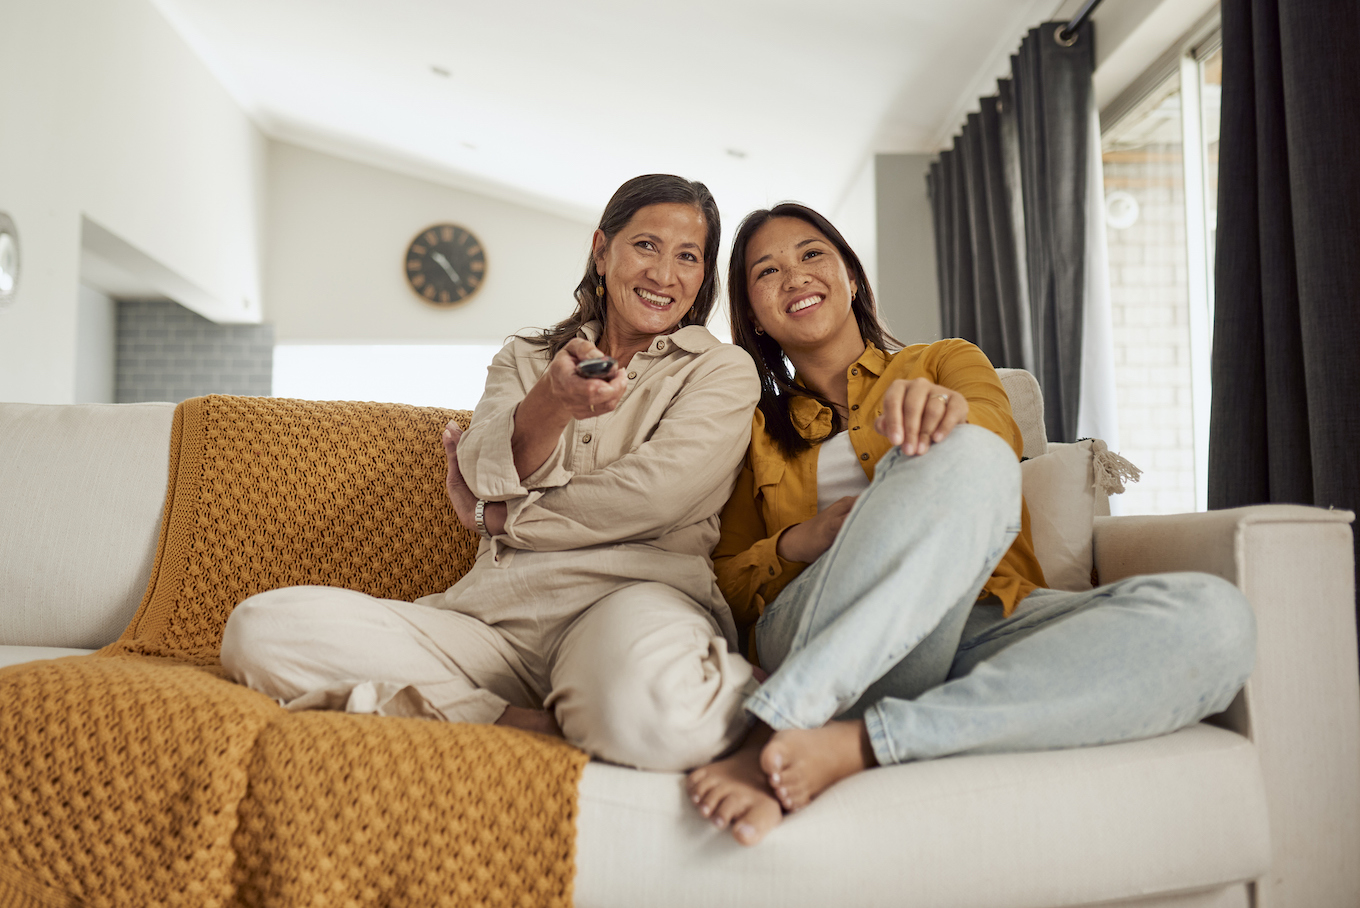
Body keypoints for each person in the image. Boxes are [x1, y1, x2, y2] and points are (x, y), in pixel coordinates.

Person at [684, 203, 1256, 844]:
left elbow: (994, 437)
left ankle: (862, 743)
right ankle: (782, 721)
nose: (794, 276)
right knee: (970, 454)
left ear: (851, 276)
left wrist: (946, 414)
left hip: (985, 622)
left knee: (1218, 620)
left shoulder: (943, 360)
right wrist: (800, 540)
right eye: (767, 271)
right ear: (753, 314)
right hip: (828, 632)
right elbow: (723, 584)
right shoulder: (754, 430)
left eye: (812, 253)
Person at [221, 174, 761, 772]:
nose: (665, 274)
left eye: (688, 256)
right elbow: (481, 466)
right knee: (260, 632)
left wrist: (501, 518)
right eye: (646, 246)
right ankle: (525, 723)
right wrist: (551, 405)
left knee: (654, 716)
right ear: (602, 251)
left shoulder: (721, 370)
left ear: (703, 276)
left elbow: (653, 497)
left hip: (631, 602)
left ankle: (638, 699)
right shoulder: (526, 356)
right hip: (492, 619)